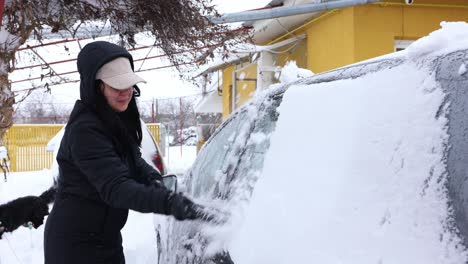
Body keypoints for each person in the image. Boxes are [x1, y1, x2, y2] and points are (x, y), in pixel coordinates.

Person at [43, 41, 205, 264]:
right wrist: (168, 202)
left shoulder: (114, 120)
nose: (126, 93)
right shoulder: (85, 130)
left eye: (128, 85)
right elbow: (116, 188)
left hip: (105, 237)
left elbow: (135, 162)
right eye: (116, 86)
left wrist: (154, 180)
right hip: (75, 246)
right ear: (97, 87)